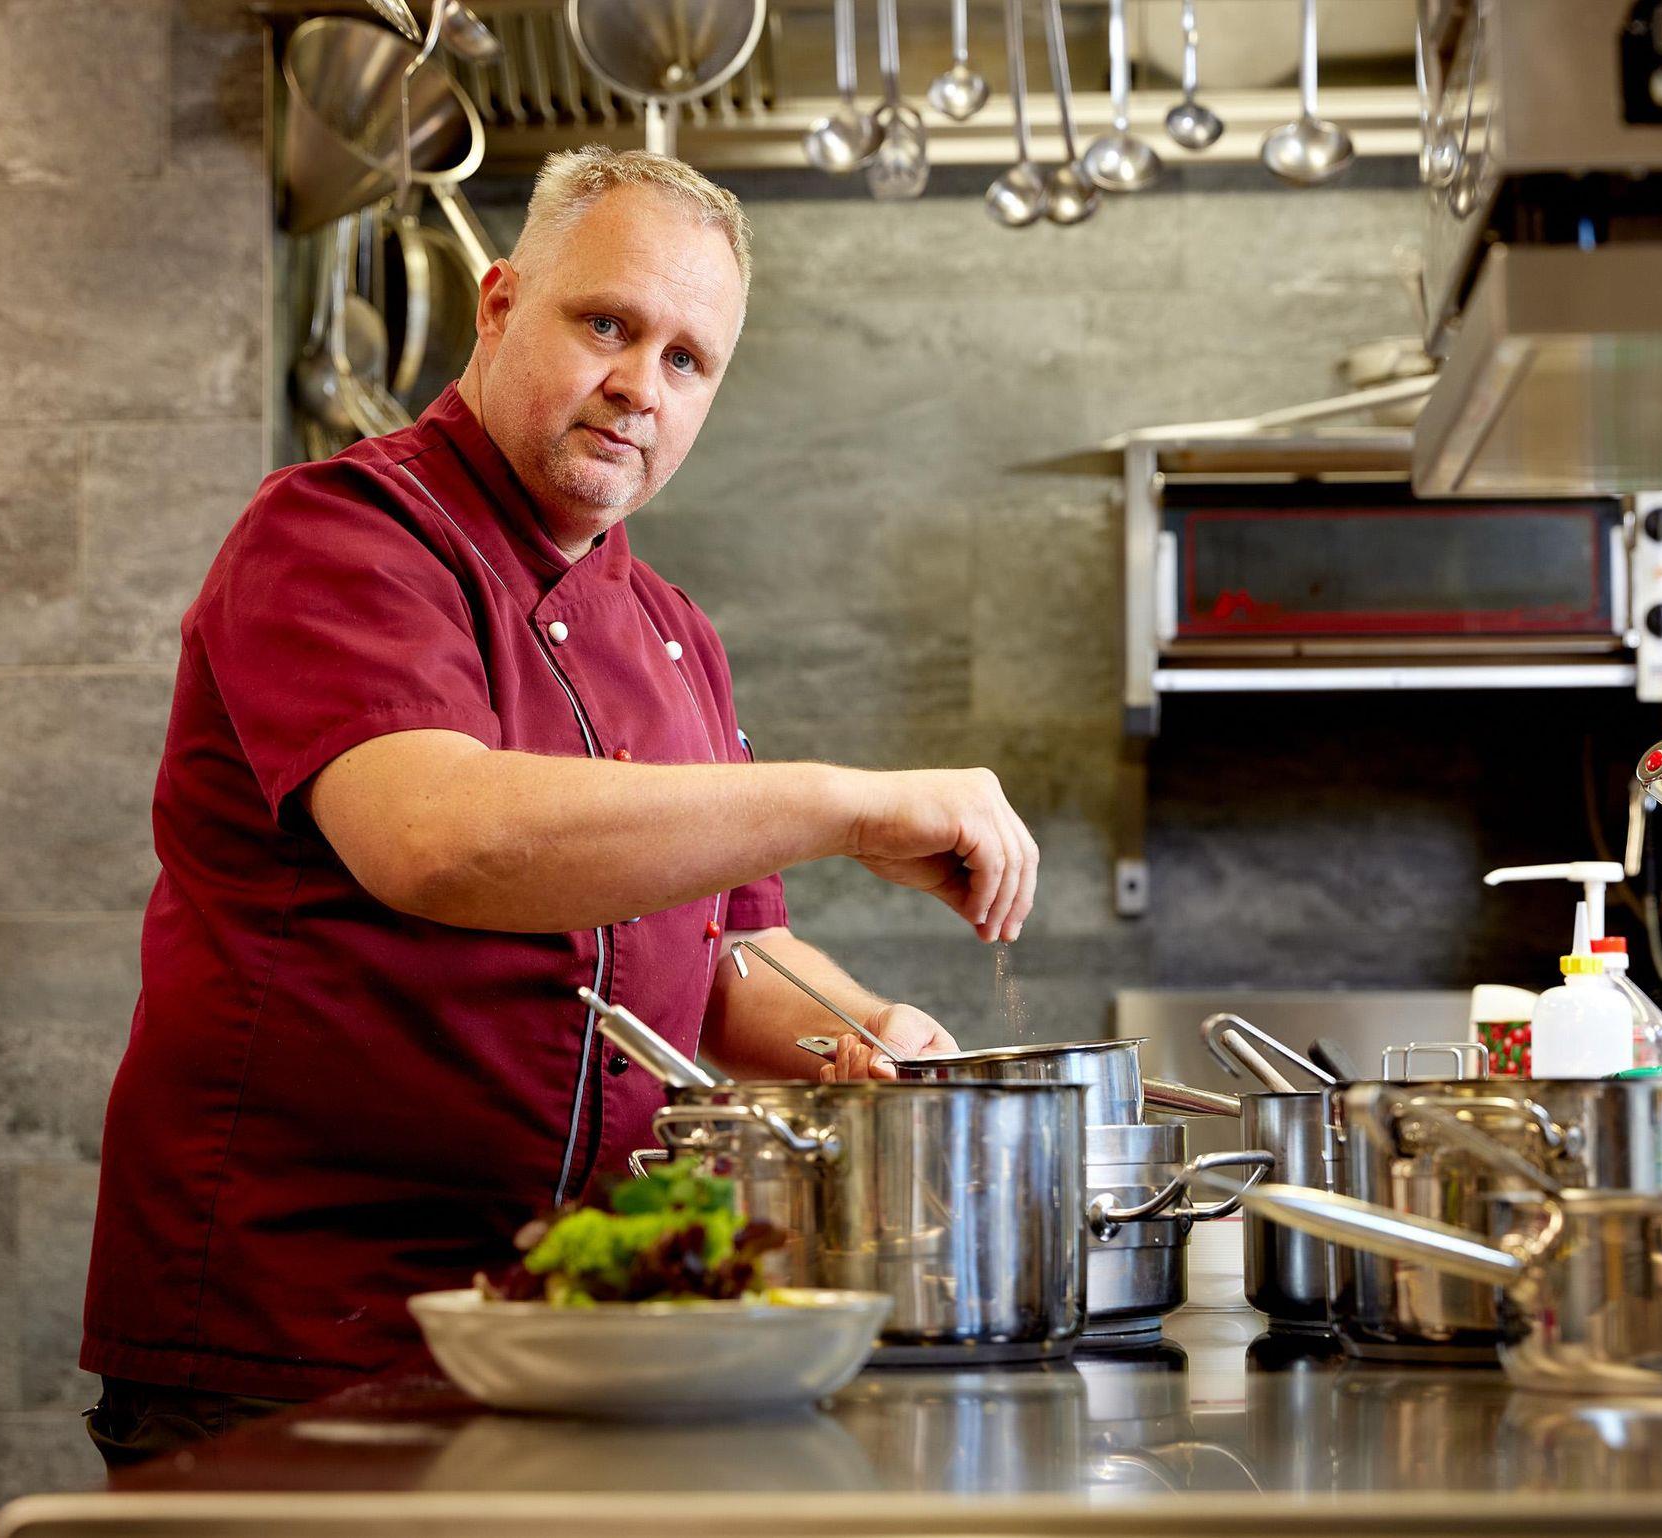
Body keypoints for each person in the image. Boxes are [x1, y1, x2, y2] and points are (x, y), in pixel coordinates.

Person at [79, 148, 1040, 1465]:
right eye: (607, 325)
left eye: (688, 359)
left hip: (578, 1328)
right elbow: (439, 840)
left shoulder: (673, 632)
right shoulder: (339, 534)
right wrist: (844, 804)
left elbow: (728, 956)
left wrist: (865, 1035)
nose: (642, 384)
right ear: (498, 306)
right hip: (297, 1330)